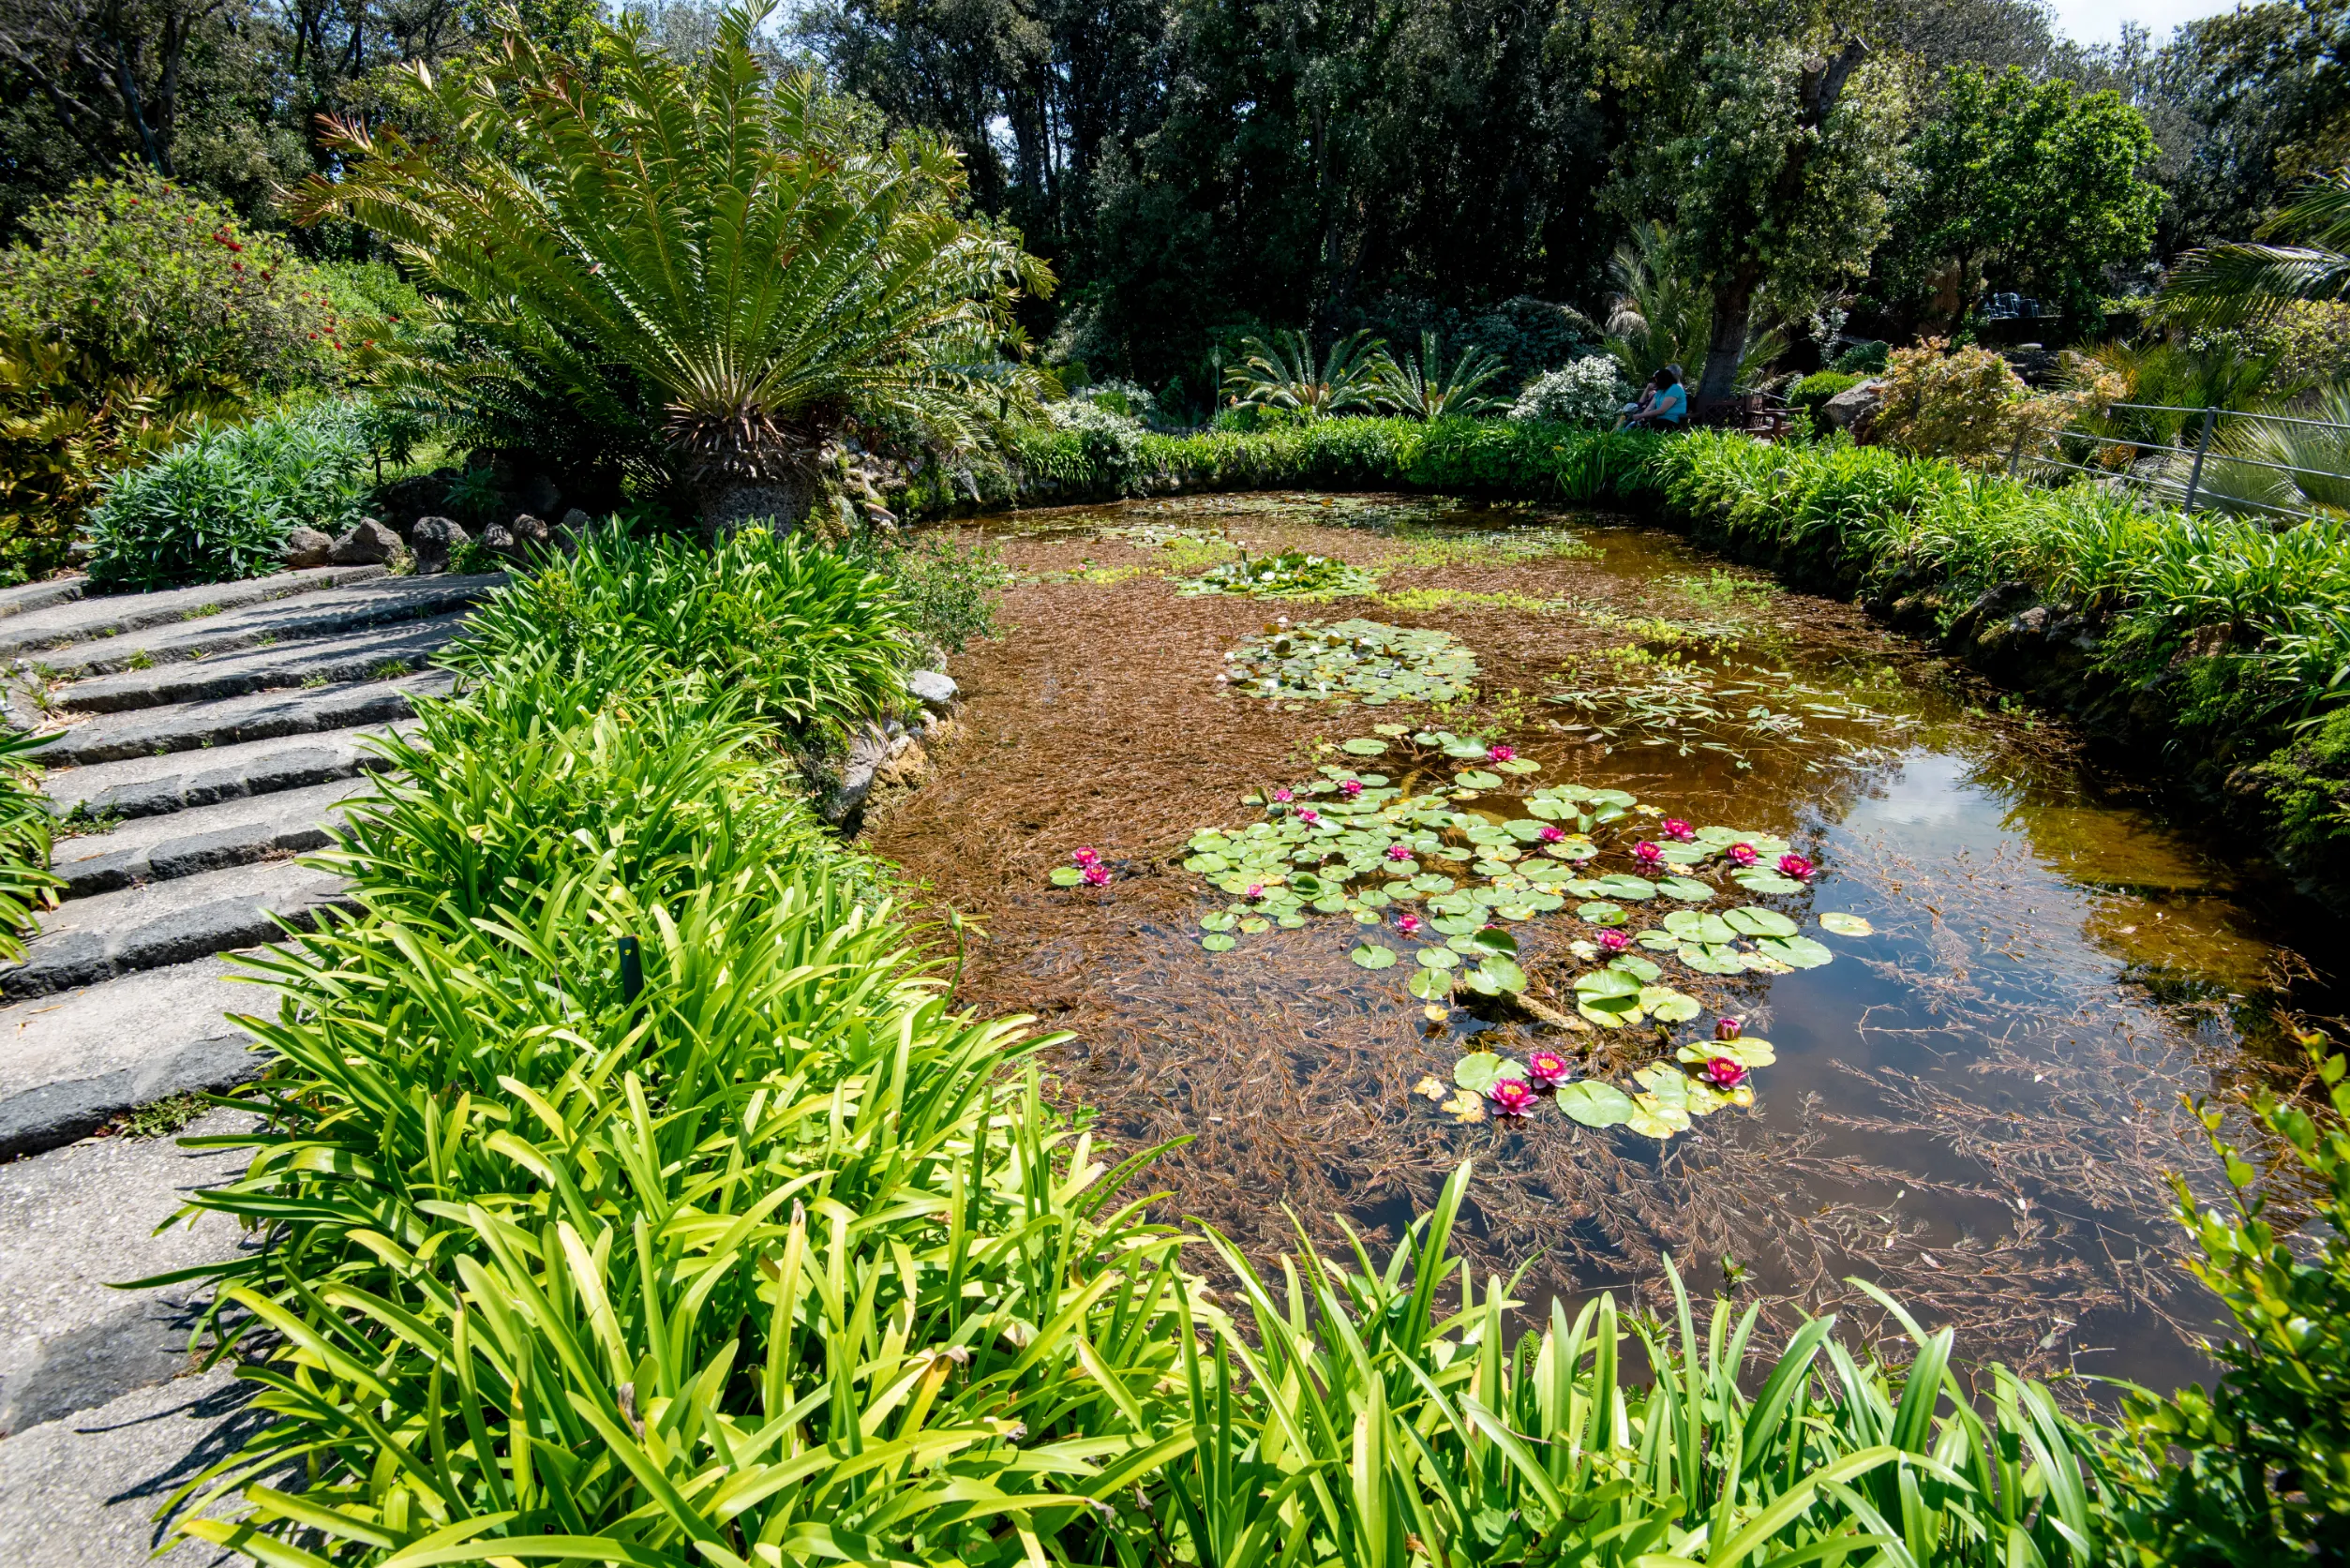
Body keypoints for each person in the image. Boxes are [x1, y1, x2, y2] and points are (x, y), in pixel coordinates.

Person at [1629, 365, 1687, 429]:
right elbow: (1650, 407)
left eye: (1656, 380)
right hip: (1660, 420)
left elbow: (1661, 410)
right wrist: (1641, 418)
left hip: (1671, 421)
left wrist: (1640, 415)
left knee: (1647, 427)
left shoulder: (1675, 388)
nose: (1655, 383)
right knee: (1637, 425)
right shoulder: (1661, 391)